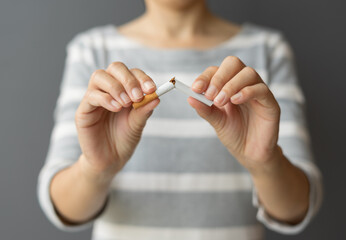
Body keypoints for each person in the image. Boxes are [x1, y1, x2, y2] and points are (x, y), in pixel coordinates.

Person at [38, 0, 322, 239]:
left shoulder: (267, 49)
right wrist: (97, 168)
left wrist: (264, 162)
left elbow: (298, 207)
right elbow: (63, 207)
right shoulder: (93, 51)